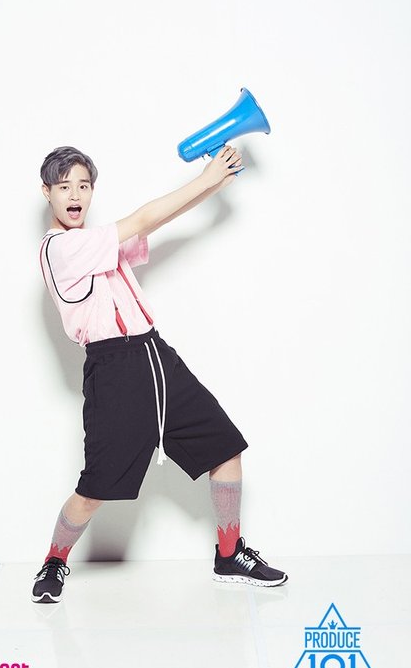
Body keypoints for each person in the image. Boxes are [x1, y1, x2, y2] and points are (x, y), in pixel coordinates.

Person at [32, 144, 288, 603]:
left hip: (156, 355)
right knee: (95, 488)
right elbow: (143, 218)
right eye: (64, 187)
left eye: (84, 186)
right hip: (114, 369)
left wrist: (214, 184)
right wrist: (205, 179)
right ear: (46, 192)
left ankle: (229, 553)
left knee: (226, 447)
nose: (75, 195)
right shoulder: (63, 248)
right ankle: (54, 559)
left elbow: (153, 224)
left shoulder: (97, 242)